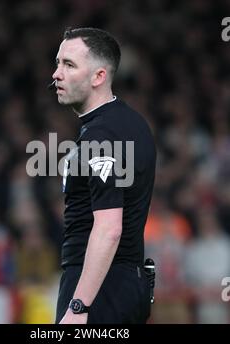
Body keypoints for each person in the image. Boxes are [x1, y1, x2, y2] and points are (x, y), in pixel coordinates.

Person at [52, 27, 156, 324]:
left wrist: (79, 307)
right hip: (121, 283)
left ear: (99, 76)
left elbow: (109, 228)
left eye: (69, 65)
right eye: (58, 63)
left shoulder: (103, 134)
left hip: (101, 288)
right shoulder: (129, 123)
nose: (56, 74)